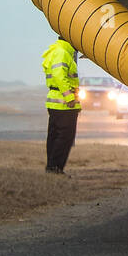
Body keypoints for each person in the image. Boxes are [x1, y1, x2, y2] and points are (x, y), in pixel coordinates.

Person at [42, 38, 81, 173]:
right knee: (64, 137)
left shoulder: (58, 51)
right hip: (64, 104)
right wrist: (70, 98)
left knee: (55, 136)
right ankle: (55, 167)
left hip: (58, 103)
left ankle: (52, 167)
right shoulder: (62, 52)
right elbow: (59, 76)